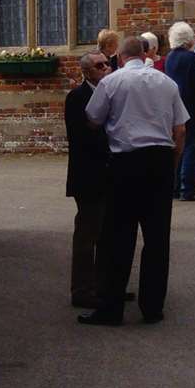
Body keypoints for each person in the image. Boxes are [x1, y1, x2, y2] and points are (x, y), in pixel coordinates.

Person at [80, 36, 186, 326]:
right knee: (157, 238)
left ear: (121, 57)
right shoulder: (167, 83)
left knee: (117, 238)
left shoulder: (112, 82)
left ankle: (111, 307)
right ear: (144, 53)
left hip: (125, 162)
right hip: (160, 161)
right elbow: (180, 130)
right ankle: (152, 307)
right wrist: (172, 165)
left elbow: (92, 119)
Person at [64, 51, 113, 308]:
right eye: (99, 65)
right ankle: (82, 289)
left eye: (107, 63)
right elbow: (82, 138)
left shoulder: (111, 93)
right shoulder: (77, 97)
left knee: (107, 235)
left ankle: (104, 285)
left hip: (108, 175)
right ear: (87, 71)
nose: (106, 68)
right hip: (89, 176)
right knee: (87, 235)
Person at [164, 22, 195, 202]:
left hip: (174, 106)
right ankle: (187, 188)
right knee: (190, 148)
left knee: (177, 147)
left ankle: (175, 186)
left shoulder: (170, 57)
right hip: (190, 107)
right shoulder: (190, 57)